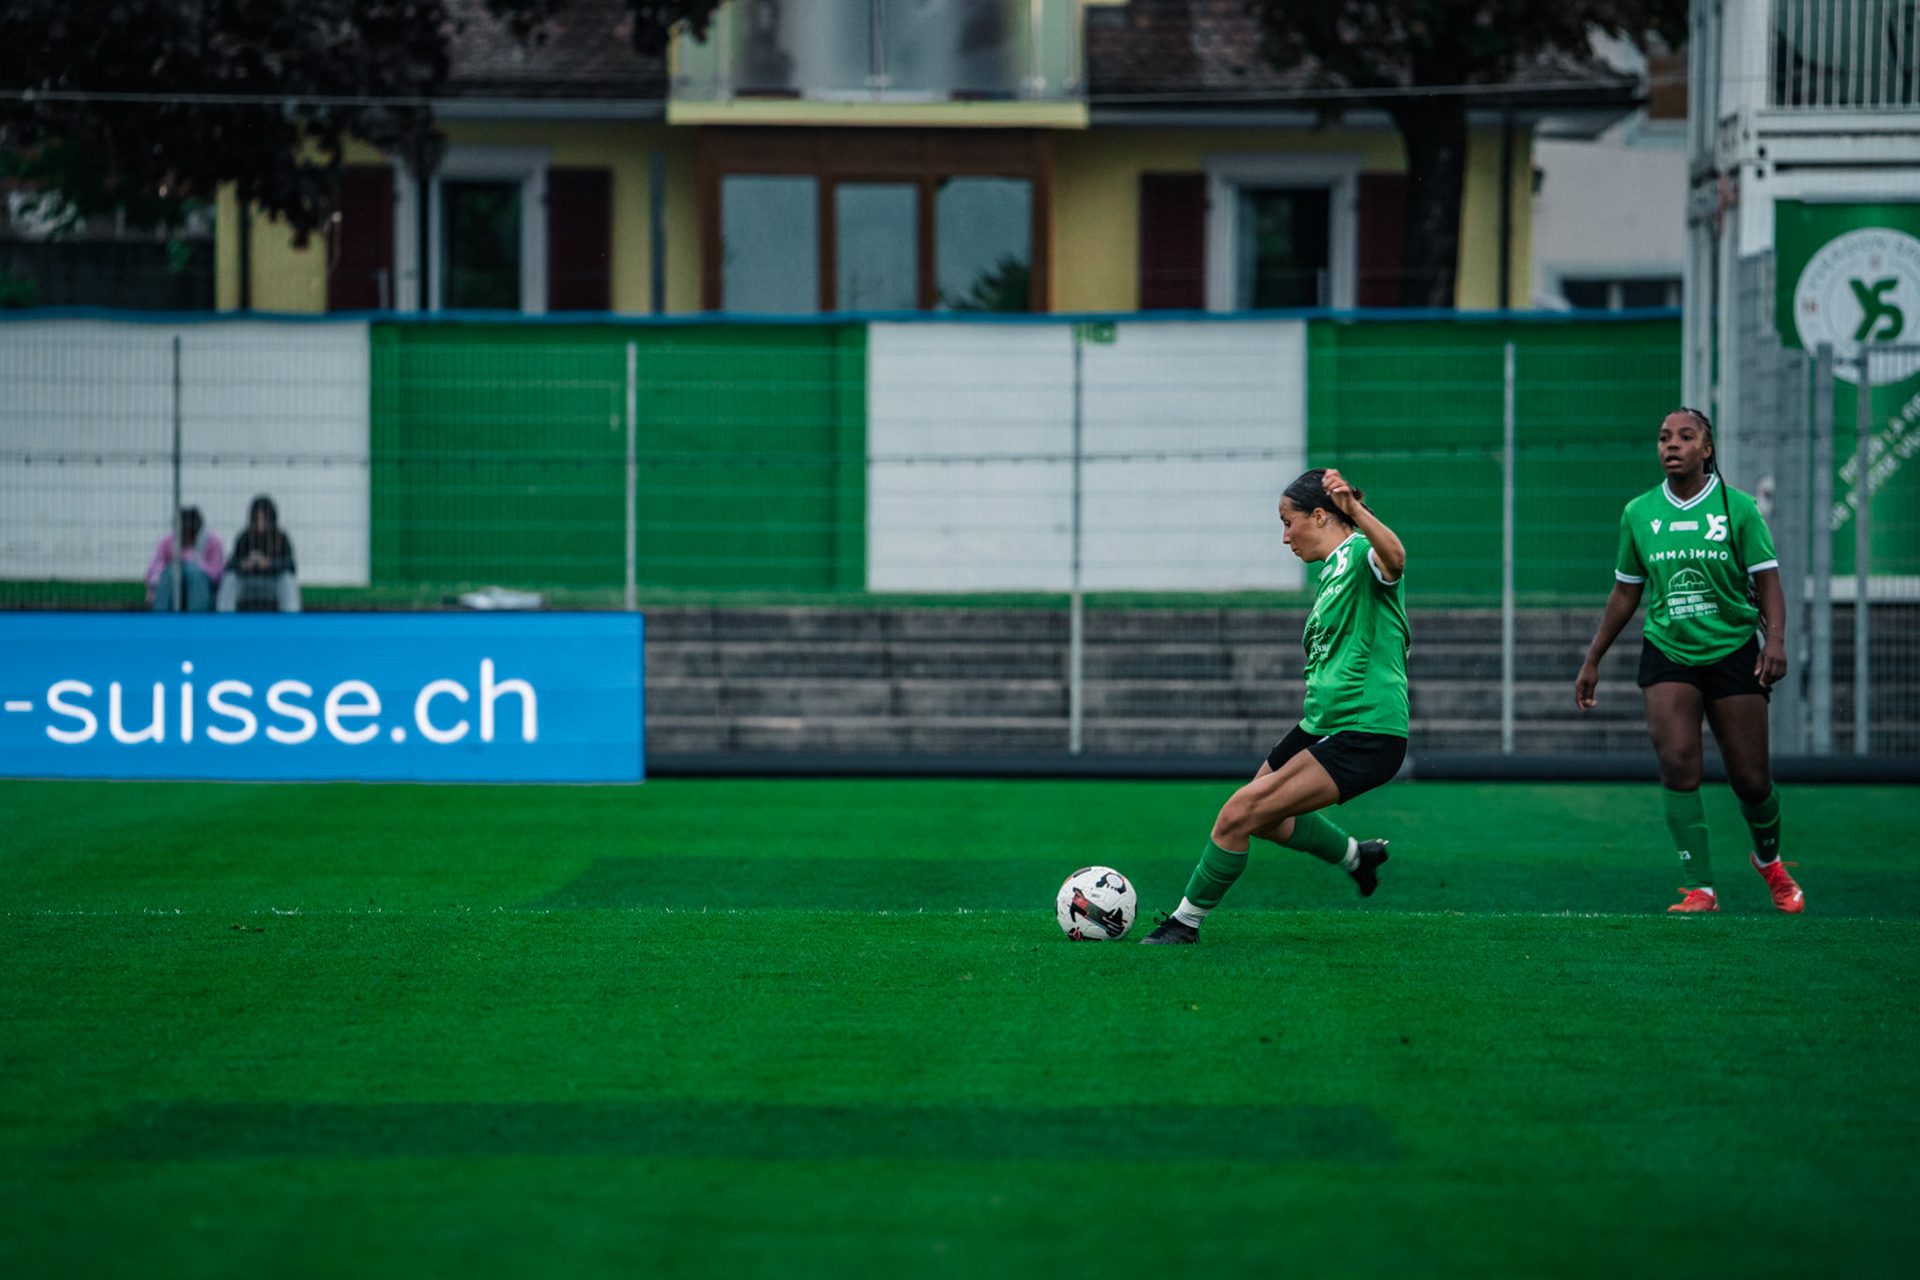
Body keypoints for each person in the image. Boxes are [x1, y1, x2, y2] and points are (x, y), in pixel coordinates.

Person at [1140, 468, 1407, 944]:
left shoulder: (1362, 553)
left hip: (1365, 730)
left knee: (1237, 813)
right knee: (1262, 818)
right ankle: (1356, 857)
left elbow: (1397, 559)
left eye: (1288, 521)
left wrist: (1358, 512)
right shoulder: (1332, 572)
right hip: (1321, 725)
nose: (1284, 537)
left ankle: (1184, 924)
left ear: (1322, 515)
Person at [1574, 408, 1802, 914]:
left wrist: (1776, 642)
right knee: (1679, 765)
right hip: (1668, 651)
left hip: (1733, 651)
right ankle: (1701, 889)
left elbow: (1768, 582)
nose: (1670, 445)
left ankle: (1770, 863)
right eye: (1662, 438)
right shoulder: (1639, 512)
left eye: (1685, 436)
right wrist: (1593, 660)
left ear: (1707, 448)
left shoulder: (1737, 509)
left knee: (1751, 780)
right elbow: (1625, 592)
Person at [216, 494, 301, 612]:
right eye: (257, 518)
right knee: (230, 579)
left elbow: (291, 565)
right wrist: (244, 564)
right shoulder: (244, 537)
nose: (260, 522)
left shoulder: (281, 538)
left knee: (287, 580)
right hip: (248, 583)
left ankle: (291, 618)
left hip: (273, 583)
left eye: (264, 518)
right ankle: (224, 618)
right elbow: (230, 564)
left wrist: (268, 563)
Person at [144, 506, 223, 612]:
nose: (185, 539)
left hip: (203, 590)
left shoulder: (214, 540)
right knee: (171, 572)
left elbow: (217, 574)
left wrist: (194, 561)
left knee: (193, 572)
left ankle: (197, 619)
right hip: (172, 587)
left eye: (188, 535)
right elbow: (153, 570)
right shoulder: (167, 540)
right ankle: (161, 619)